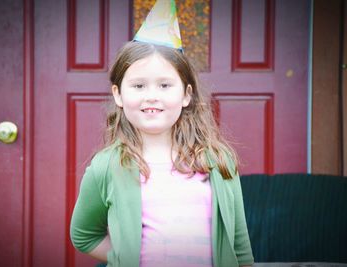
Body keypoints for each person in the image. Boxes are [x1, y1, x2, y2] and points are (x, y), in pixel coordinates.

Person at [70, 1, 253, 266]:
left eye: (165, 85)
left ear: (186, 95)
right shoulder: (106, 167)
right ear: (118, 94)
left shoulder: (218, 161)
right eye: (139, 85)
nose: (152, 96)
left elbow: (240, 247)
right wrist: (125, 258)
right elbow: (84, 235)